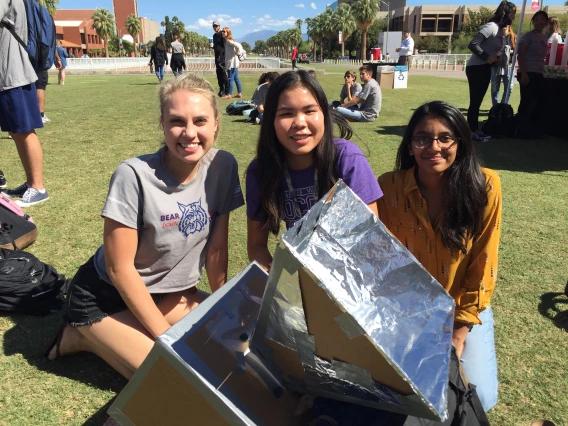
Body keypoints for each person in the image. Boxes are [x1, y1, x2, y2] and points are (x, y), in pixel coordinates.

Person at [44, 73, 245, 379]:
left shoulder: (224, 166)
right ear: (163, 124)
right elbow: (119, 269)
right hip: (104, 297)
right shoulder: (133, 175)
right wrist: (167, 338)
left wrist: (224, 308)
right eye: (177, 121)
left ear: (216, 123)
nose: (189, 133)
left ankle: (111, 335)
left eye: (200, 121)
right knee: (177, 377)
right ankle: (81, 335)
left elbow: (217, 248)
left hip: (167, 294)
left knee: (241, 339)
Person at [377, 101, 502, 411]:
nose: (434, 147)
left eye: (446, 138)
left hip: (463, 311)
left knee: (479, 397)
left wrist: (459, 334)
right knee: (405, 395)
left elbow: (483, 264)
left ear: (460, 142)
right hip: (410, 312)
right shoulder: (388, 187)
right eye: (422, 138)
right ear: (410, 146)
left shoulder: (485, 186)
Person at [246, 70, 383, 271]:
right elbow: (256, 246)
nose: (300, 123)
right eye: (286, 113)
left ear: (324, 115)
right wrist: (279, 282)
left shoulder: (346, 158)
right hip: (296, 276)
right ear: (271, 120)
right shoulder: (260, 170)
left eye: (310, 111)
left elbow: (370, 239)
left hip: (350, 274)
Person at [0, 0, 49, 207]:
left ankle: (38, 187)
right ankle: (31, 183)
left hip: (14, 73)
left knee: (24, 130)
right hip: (10, 74)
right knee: (16, 130)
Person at [466, 0, 516, 142]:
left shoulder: (500, 30)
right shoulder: (491, 27)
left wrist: (495, 60)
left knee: (478, 101)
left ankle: (474, 129)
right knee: (475, 101)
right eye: (513, 13)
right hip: (476, 68)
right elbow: (473, 44)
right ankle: (472, 131)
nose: (514, 17)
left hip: (484, 67)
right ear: (505, 13)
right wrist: (488, 58)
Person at [517, 10, 548, 126]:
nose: (540, 22)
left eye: (543, 19)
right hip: (528, 72)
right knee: (526, 100)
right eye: (537, 19)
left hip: (539, 72)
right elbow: (521, 55)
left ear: (546, 22)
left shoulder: (545, 38)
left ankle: (532, 124)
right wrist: (524, 73)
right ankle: (520, 125)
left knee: (539, 100)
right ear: (533, 21)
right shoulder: (528, 36)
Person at [490, 25, 515, 106]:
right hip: (496, 65)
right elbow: (491, 50)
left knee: (509, 87)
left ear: (509, 26)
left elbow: (516, 50)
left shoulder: (513, 37)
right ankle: (495, 106)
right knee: (495, 88)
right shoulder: (495, 37)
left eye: (506, 24)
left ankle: (503, 105)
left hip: (508, 66)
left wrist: (505, 51)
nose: (504, 26)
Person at [221, 27, 243, 100]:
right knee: (236, 78)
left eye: (224, 31)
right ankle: (239, 93)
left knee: (230, 79)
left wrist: (237, 52)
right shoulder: (229, 40)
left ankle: (229, 94)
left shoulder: (228, 41)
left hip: (232, 63)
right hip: (235, 63)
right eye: (222, 31)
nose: (222, 33)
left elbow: (238, 46)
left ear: (227, 33)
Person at [211, 20, 229, 97]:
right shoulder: (214, 36)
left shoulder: (222, 33)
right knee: (218, 73)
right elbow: (216, 46)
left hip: (222, 56)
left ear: (219, 26)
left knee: (223, 73)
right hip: (216, 56)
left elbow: (227, 41)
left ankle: (226, 90)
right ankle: (221, 89)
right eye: (214, 26)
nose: (215, 27)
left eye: (216, 26)